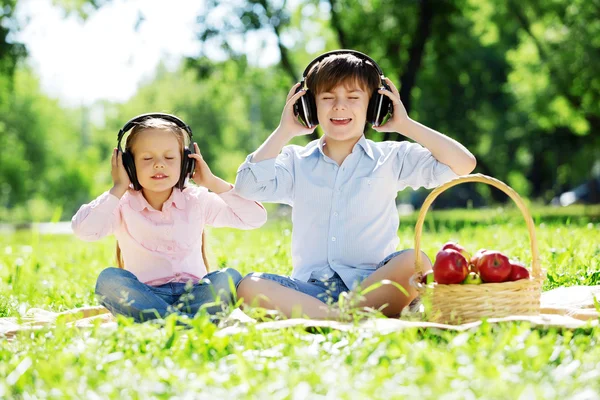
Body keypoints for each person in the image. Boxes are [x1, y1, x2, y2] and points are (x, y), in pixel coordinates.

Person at [234, 50, 476, 319]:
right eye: (327, 98)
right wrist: (285, 131)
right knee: (248, 286)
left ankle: (331, 316)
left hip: (374, 286)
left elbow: (462, 164)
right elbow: (246, 187)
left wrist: (406, 125)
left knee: (415, 262)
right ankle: (341, 317)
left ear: (374, 106)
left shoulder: (391, 157)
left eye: (353, 98)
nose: (339, 106)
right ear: (310, 107)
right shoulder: (294, 161)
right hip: (310, 290)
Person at [71, 113, 267, 323]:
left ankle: (167, 323)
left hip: (196, 296)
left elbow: (255, 218)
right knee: (109, 280)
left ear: (186, 163)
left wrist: (212, 182)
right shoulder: (121, 205)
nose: (159, 164)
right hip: (146, 297)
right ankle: (187, 324)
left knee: (227, 277)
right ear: (128, 165)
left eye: (170, 158)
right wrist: (118, 188)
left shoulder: (197, 200)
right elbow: (83, 230)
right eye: (147, 158)